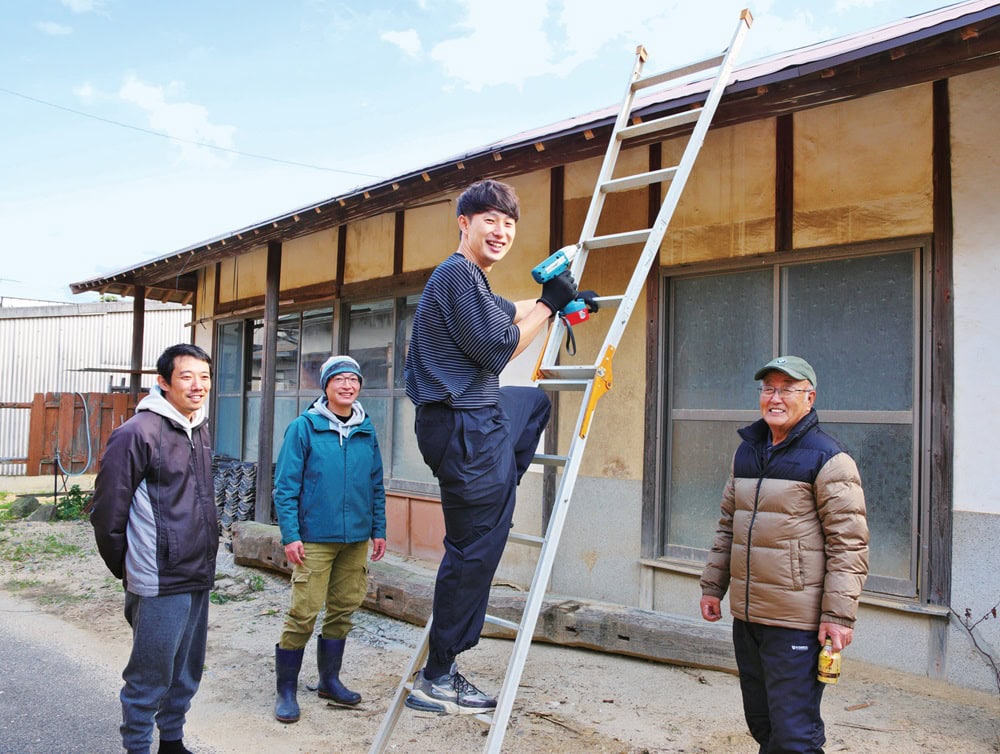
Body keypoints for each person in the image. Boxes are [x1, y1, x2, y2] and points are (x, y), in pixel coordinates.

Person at [403, 179, 588, 715]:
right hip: (463, 428)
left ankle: (496, 486)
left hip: (471, 419)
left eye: (509, 223)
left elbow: (512, 309)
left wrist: (564, 300)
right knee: (476, 548)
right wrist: (551, 307)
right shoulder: (457, 273)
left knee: (531, 403)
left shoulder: (474, 282)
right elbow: (499, 347)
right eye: (490, 220)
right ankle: (438, 676)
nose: (501, 231)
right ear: (465, 224)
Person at [699, 355, 869, 753]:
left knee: (794, 733)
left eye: (787, 390)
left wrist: (838, 616)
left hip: (796, 621)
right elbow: (729, 526)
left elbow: (849, 544)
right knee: (763, 723)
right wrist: (712, 587)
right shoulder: (747, 453)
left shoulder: (828, 458)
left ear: (809, 398)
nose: (775, 398)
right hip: (749, 615)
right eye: (768, 389)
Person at [90, 343, 217, 754]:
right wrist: (130, 567)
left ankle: (172, 741)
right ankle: (137, 747)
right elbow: (107, 513)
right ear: (163, 383)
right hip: (158, 576)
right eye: (187, 376)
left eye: (205, 377)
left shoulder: (198, 427)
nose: (198, 386)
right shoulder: (136, 433)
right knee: (150, 674)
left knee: (184, 670)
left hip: (197, 569)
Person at [272, 355, 386, 723]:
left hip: (355, 538)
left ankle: (329, 681)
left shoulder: (366, 429)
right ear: (325, 386)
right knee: (304, 610)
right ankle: (286, 690)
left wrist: (378, 529)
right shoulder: (304, 428)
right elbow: (285, 487)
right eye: (340, 380)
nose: (348, 386)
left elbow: (375, 485)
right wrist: (291, 535)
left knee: (343, 609)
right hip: (314, 538)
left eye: (354, 380)